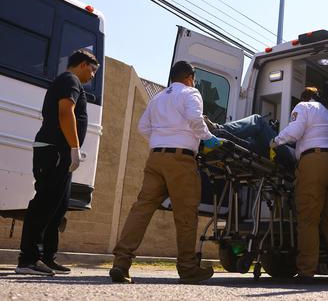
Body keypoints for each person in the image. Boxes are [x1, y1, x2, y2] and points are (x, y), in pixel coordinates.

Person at [109, 61, 224, 284]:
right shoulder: (191, 93)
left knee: (141, 210)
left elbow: (143, 127)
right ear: (190, 77)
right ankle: (188, 268)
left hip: (155, 158)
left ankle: (121, 264)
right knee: (185, 214)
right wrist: (207, 137)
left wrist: (161, 139)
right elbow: (194, 118)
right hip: (180, 160)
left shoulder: (158, 98)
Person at [16, 49, 100, 276]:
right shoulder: (69, 80)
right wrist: (74, 147)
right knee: (44, 204)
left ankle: (47, 257)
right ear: (83, 64)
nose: (92, 76)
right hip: (55, 151)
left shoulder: (70, 82)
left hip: (61, 154)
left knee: (58, 207)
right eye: (92, 70)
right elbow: (66, 112)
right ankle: (28, 260)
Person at [270, 86, 328, 283]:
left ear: (307, 98)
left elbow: (295, 132)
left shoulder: (304, 106)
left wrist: (275, 141)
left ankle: (307, 270)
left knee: (308, 218)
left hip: (314, 162)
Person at [204, 114, 295, 170]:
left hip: (285, 154)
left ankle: (218, 129)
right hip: (275, 150)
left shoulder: (304, 147)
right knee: (246, 140)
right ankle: (219, 132)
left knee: (258, 120)